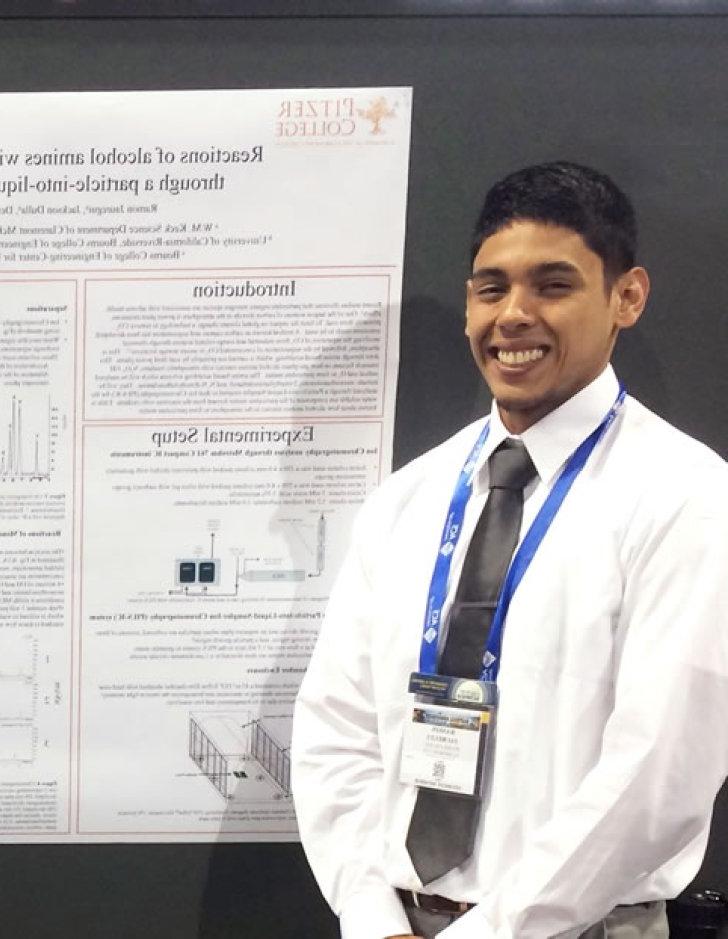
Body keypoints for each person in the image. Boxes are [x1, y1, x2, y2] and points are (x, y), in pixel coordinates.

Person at [291, 161, 728, 939]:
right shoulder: (408, 501)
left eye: (552, 285)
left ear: (627, 296)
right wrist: (370, 914)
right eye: (491, 288)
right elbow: (336, 727)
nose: (513, 315)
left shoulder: (685, 496)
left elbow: (661, 772)